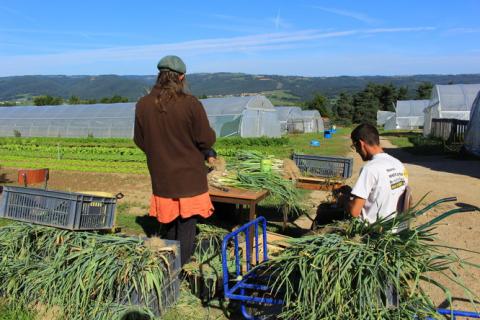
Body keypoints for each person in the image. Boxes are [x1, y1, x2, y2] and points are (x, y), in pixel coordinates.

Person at [134, 55, 216, 266]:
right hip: (189, 176)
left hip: (162, 176)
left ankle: (169, 266)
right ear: (181, 77)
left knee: (169, 221)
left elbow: (140, 141)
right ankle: (181, 269)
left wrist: (160, 153)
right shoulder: (190, 104)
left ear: (160, 76)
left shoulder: (143, 105)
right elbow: (205, 139)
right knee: (187, 224)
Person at [347, 123, 408, 224]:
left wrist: (343, 200)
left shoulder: (370, 169)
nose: (357, 151)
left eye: (355, 146)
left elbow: (354, 212)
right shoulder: (398, 164)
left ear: (361, 144)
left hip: (373, 231)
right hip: (396, 227)